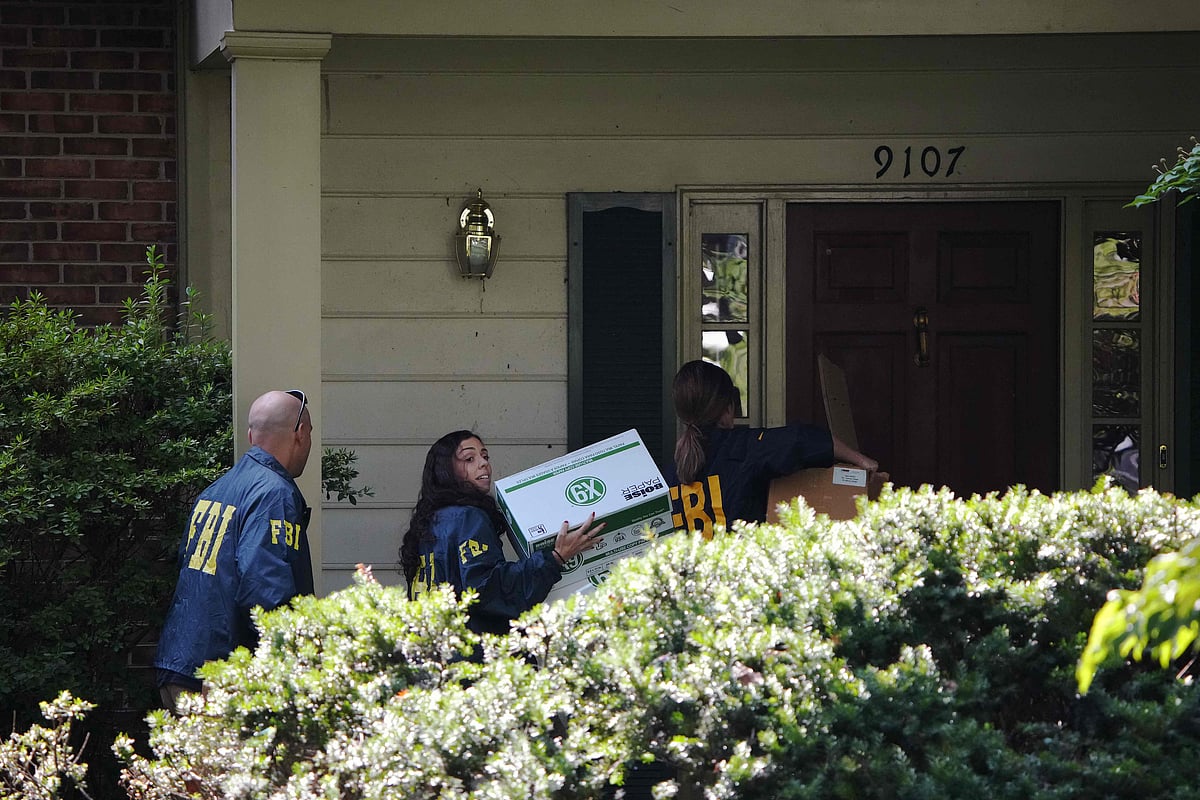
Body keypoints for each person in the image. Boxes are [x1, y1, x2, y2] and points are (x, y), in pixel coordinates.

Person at [154, 389, 315, 710]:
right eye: (309, 433)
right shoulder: (273, 493)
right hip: (223, 680)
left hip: (181, 664)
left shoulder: (218, 489)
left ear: (251, 435)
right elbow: (265, 590)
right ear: (299, 434)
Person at [400, 430, 603, 636]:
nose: (483, 463)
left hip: (430, 648)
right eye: (469, 458)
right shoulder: (467, 518)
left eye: (485, 456)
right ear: (445, 470)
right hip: (469, 654)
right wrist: (555, 558)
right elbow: (488, 589)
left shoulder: (429, 522)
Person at [664, 360, 880, 537]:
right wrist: (861, 461)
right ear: (727, 408)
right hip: (739, 579)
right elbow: (801, 439)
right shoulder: (744, 448)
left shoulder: (672, 472)